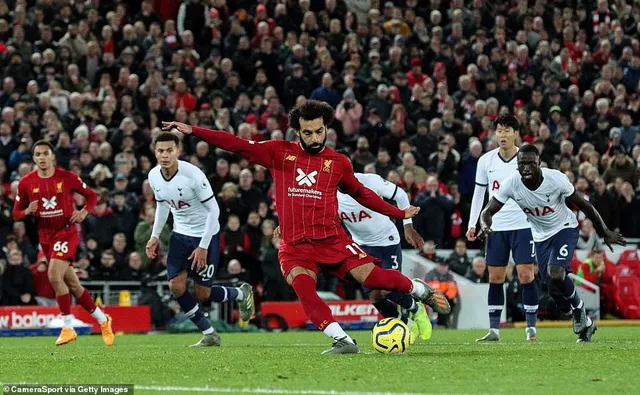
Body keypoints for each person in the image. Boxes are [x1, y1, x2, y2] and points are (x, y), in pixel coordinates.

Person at [162, 100, 450, 355]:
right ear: (297, 131)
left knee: (375, 280)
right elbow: (238, 144)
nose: (315, 138)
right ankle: (342, 340)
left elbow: (363, 195)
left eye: (320, 131)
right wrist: (194, 130)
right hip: (296, 246)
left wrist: (399, 213)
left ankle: (418, 289)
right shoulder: (278, 153)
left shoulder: (337, 163)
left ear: (327, 128)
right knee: (304, 288)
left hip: (332, 240)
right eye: (308, 132)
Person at [480, 144, 626, 342]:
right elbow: (488, 211)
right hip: (540, 236)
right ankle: (587, 326)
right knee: (552, 288)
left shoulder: (556, 179)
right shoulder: (511, 183)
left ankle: (580, 310)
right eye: (522, 163)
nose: (526, 168)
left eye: (531, 163)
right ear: (517, 166)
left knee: (555, 272)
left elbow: (585, 206)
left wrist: (604, 232)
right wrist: (486, 225)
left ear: (539, 163)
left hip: (564, 228)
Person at [146, 132, 254, 347]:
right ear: (155, 152)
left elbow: (214, 211)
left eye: (169, 150)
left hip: (206, 234)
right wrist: (154, 236)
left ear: (178, 151)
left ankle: (240, 294)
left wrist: (203, 246)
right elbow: (162, 205)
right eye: (160, 151)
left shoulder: (193, 175)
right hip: (180, 235)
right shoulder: (154, 176)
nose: (165, 155)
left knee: (202, 294)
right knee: (176, 287)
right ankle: (209, 333)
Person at [12, 140, 114, 346]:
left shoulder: (66, 177)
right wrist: (26, 211)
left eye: (45, 153)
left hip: (66, 231)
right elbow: (16, 213)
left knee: (53, 275)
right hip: (45, 237)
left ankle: (67, 326)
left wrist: (84, 212)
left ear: (52, 157)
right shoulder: (25, 183)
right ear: (34, 158)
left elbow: (92, 196)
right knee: (73, 285)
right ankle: (104, 320)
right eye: (38, 154)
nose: (41, 157)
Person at [335, 168, 430, 344]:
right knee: (375, 297)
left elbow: (400, 195)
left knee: (388, 289)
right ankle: (406, 325)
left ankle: (417, 309)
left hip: (387, 241)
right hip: (362, 246)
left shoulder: (369, 181)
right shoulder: (327, 192)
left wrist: (407, 226)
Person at [466, 115, 539, 342]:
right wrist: (473, 222)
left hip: (523, 225)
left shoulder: (527, 159)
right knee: (495, 276)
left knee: (525, 274)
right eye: (499, 131)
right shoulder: (486, 161)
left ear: (516, 134)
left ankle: (530, 328)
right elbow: (480, 194)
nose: (502, 135)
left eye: (507, 130)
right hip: (496, 226)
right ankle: (494, 330)